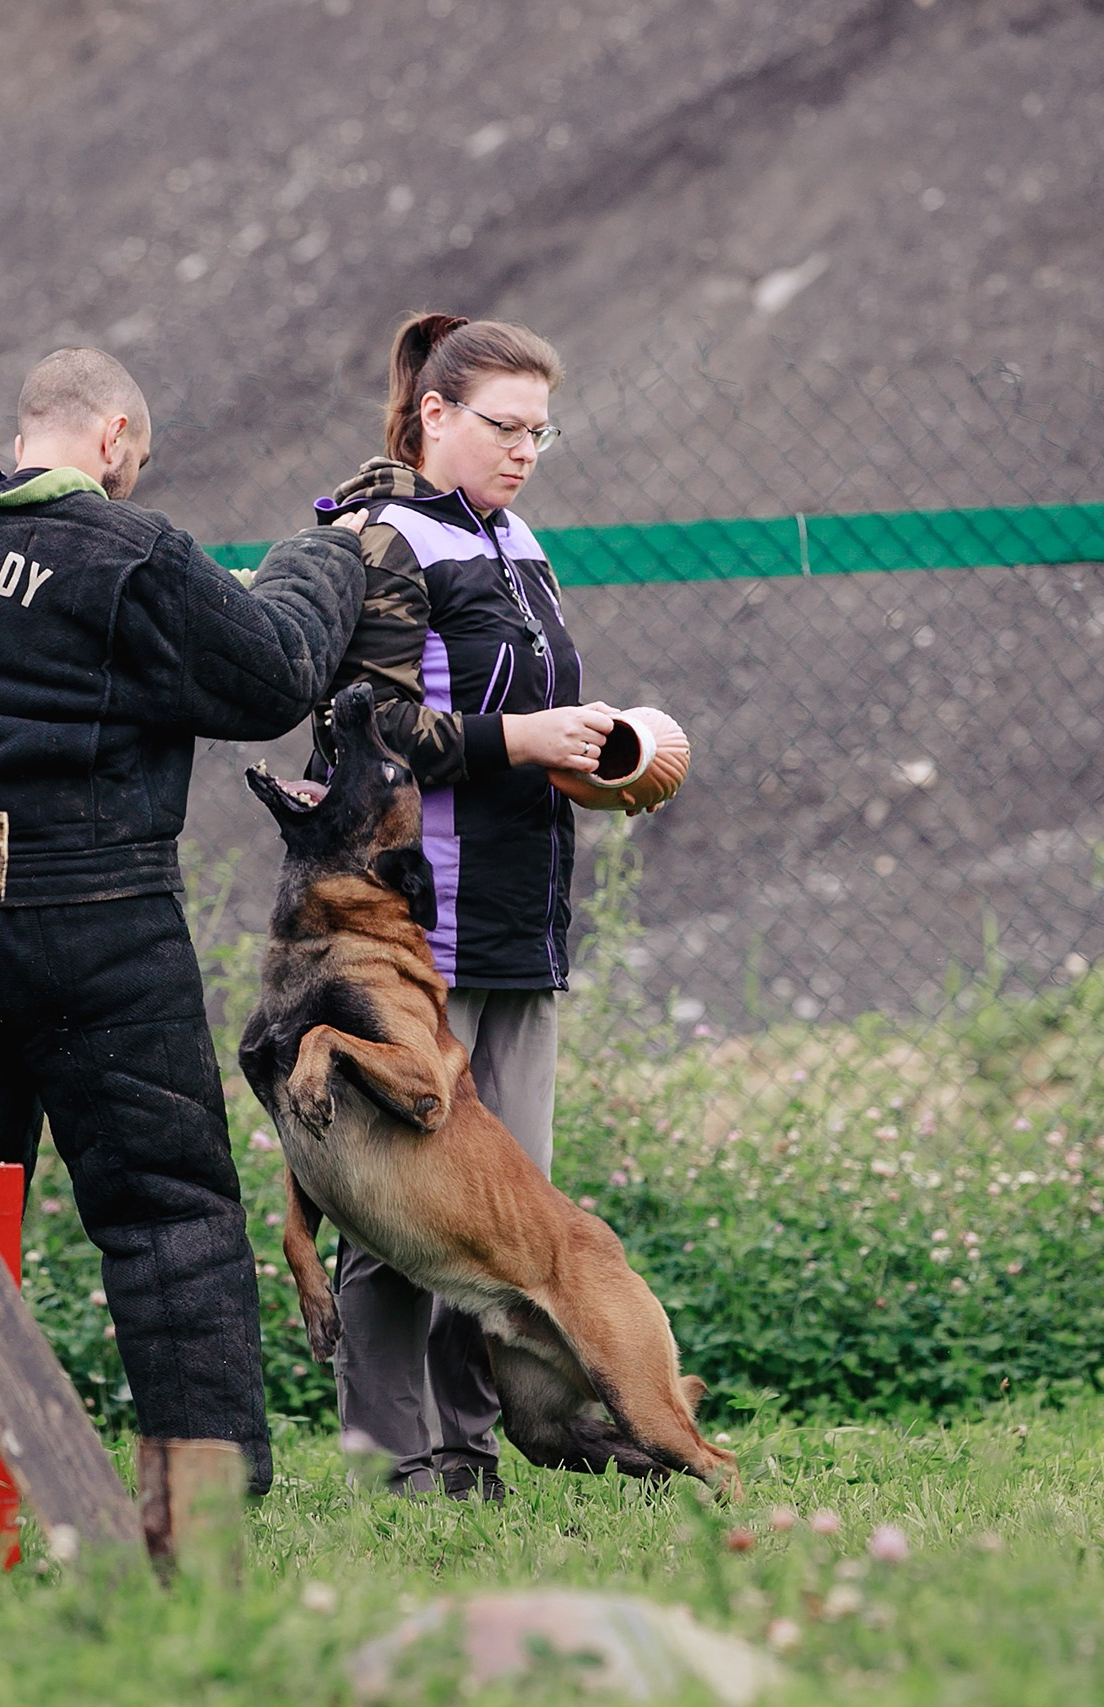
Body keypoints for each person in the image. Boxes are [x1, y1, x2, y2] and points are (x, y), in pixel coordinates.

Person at [0, 347, 367, 1495]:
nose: (130, 475)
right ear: (111, 435)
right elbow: (275, 673)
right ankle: (206, 1488)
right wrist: (322, 557)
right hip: (102, 924)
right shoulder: (129, 551)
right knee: (166, 1215)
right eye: (132, 457)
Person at [309, 314, 616, 1500]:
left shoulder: (518, 537)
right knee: (399, 1212)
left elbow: (525, 717)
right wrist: (519, 739)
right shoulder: (380, 540)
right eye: (504, 426)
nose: (526, 450)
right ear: (434, 415)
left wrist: (598, 758)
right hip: (409, 934)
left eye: (541, 430)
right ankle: (390, 1465)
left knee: (502, 1216)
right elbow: (368, 728)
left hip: (519, 922)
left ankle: (472, 1457)